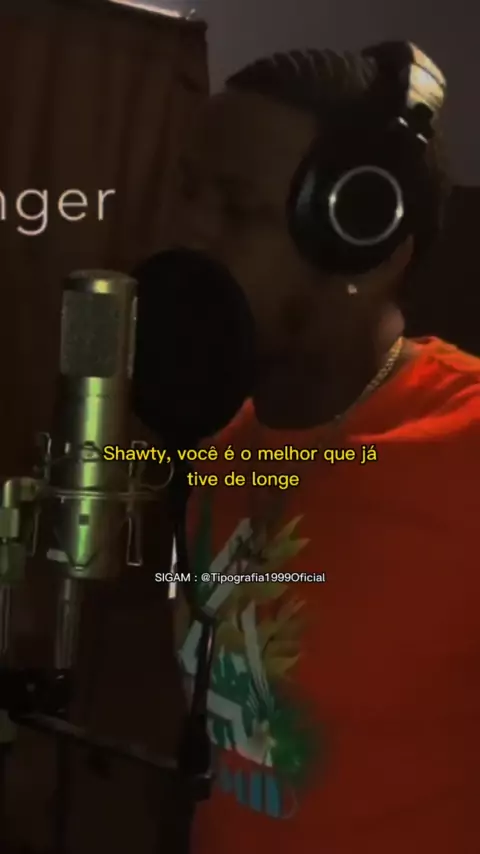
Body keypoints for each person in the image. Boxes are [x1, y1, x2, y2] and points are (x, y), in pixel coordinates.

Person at [173, 41, 480, 854]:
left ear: (364, 246)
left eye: (237, 210)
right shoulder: (223, 441)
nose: (186, 234)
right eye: (188, 194)